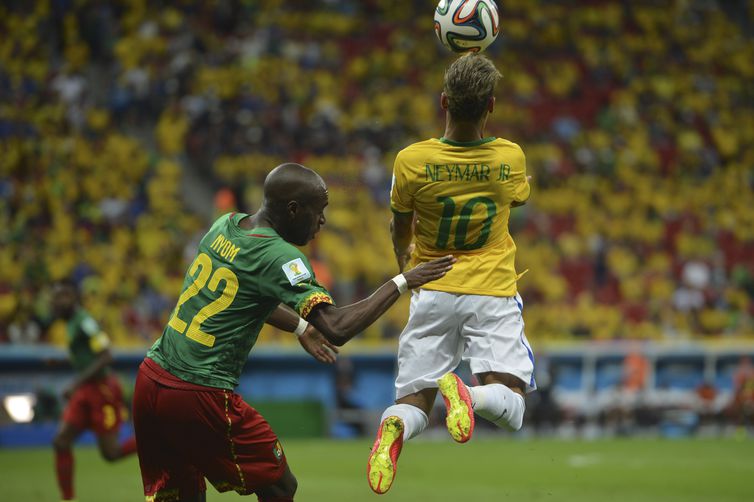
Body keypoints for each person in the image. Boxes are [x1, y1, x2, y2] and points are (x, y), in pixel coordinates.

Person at [132, 163, 455, 502]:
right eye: (319, 211)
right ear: (293, 209)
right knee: (281, 486)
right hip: (199, 392)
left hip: (151, 380)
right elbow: (337, 327)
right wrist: (403, 281)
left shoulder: (223, 226)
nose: (323, 221)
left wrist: (301, 325)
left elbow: (244, 295)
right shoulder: (280, 255)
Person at [367, 52, 536, 494]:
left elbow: (399, 223)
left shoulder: (411, 160)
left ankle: (393, 432)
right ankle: (469, 395)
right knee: (514, 408)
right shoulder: (509, 158)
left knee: (413, 403)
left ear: (443, 101)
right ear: (491, 106)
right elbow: (516, 200)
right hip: (492, 290)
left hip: (432, 286)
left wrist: (404, 261)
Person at [51, 280, 137, 501]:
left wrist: (76, 383)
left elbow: (107, 354)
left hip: (102, 390)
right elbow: (85, 358)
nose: (57, 302)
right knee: (61, 441)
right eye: (55, 298)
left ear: (74, 298)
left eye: (63, 296)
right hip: (85, 390)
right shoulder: (70, 323)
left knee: (111, 454)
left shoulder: (85, 322)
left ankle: (155, 438)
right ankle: (67, 498)